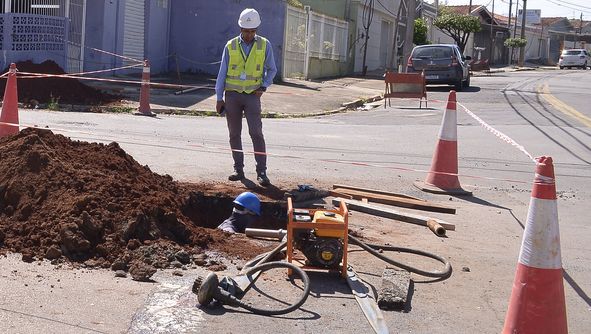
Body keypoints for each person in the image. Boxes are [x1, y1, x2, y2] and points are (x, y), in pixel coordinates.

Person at [215, 8, 277, 187]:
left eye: (252, 31)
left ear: (256, 29)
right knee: (234, 134)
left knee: (256, 133)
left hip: (252, 96)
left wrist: (264, 85)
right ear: (240, 28)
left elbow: (272, 69)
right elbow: (222, 73)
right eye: (246, 31)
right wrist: (219, 98)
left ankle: (262, 172)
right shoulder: (230, 46)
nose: (249, 35)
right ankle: (238, 169)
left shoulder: (265, 45)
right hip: (232, 96)